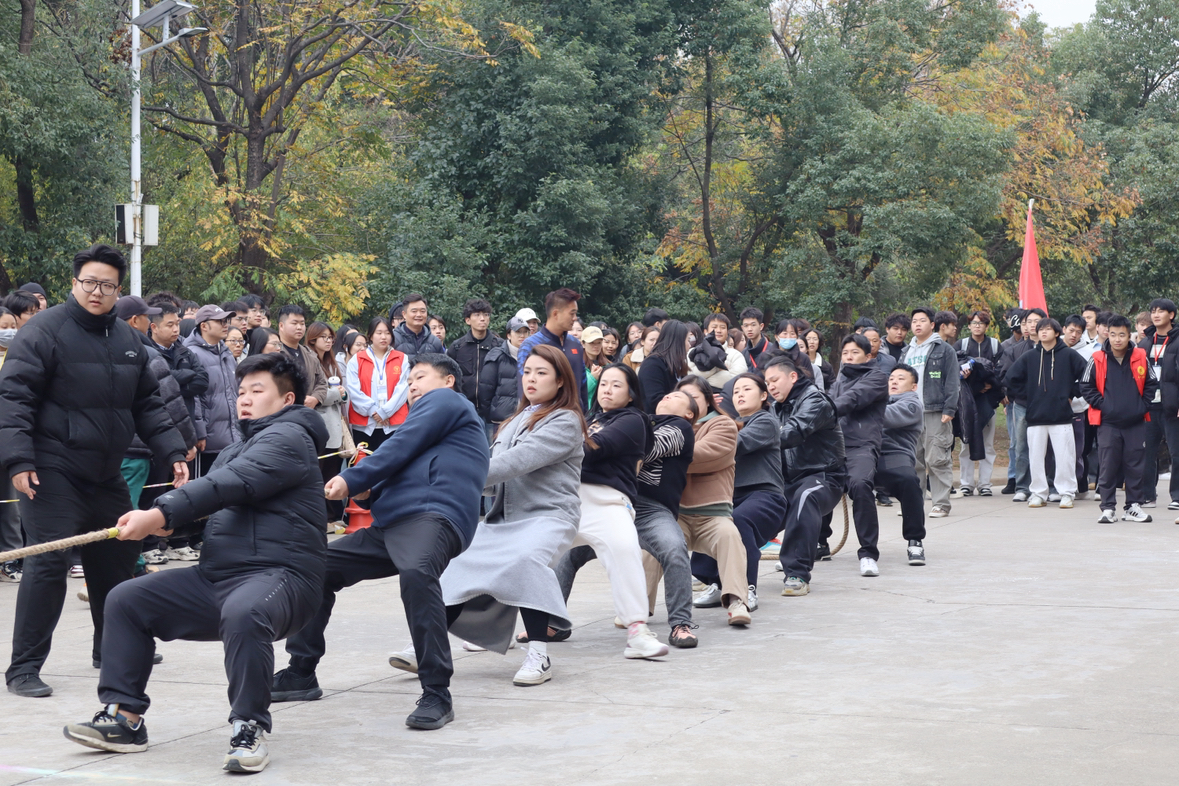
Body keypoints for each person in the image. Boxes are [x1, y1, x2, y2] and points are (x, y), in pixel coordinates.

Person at [64, 353, 329, 773]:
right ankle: (124, 719)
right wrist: (169, 528)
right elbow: (217, 504)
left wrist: (160, 511)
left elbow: (229, 484)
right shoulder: (239, 448)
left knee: (247, 611)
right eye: (240, 391)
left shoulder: (291, 438)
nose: (244, 399)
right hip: (218, 578)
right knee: (127, 599)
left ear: (286, 399)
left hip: (283, 578)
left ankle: (249, 728)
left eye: (257, 391)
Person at [0, 244, 189, 698]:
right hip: (51, 469)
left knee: (118, 561)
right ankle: (24, 668)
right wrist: (18, 461)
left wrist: (173, 451)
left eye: (107, 285)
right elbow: (14, 399)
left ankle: (111, 649)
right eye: (89, 282)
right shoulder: (44, 331)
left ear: (118, 290)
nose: (97, 292)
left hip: (106, 472)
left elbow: (147, 402)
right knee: (47, 563)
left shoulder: (128, 341)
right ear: (74, 283)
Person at [273, 353, 489, 730]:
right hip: (392, 526)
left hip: (433, 516)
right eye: (409, 383)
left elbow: (400, 447)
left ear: (448, 381)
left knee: (418, 573)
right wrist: (367, 488)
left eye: (420, 377)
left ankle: (437, 691)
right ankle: (301, 673)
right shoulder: (422, 427)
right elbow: (394, 467)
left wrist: (352, 479)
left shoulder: (448, 402)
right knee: (317, 567)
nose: (413, 387)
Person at [439, 344, 586, 686]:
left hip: (548, 517)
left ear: (562, 381)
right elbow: (493, 480)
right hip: (504, 519)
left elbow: (516, 463)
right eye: (527, 372)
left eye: (541, 373)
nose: (531, 379)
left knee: (525, 562)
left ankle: (539, 653)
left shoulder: (566, 420)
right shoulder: (513, 420)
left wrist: (458, 475)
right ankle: (426, 646)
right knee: (457, 561)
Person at [553, 364, 669, 659]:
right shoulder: (587, 419)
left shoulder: (635, 420)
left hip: (606, 502)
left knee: (624, 550)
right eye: (603, 383)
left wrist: (551, 447)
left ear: (631, 394)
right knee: (523, 556)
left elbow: (595, 448)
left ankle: (637, 631)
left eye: (616, 385)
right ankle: (485, 628)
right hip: (567, 500)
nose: (607, 389)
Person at [651, 376, 750, 624]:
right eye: (678, 395)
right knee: (650, 546)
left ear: (707, 401)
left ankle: (738, 602)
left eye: (693, 398)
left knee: (730, 537)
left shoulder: (722, 425)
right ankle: (638, 605)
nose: (688, 402)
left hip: (713, 515)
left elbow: (703, 456)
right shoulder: (654, 428)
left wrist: (659, 454)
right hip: (674, 516)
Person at [691, 372, 786, 612]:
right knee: (712, 519)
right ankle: (717, 583)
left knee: (738, 521)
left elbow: (734, 446)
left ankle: (745, 587)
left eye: (746, 389)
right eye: (735, 391)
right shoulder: (729, 424)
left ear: (764, 395)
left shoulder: (765, 421)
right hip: (732, 496)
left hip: (765, 495)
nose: (739, 394)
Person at [764, 356, 846, 597]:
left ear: (792, 376)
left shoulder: (815, 400)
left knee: (804, 498)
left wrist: (750, 439)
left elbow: (792, 432)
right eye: (767, 382)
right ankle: (713, 577)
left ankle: (797, 573)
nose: (771, 386)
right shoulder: (776, 406)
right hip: (786, 481)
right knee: (747, 512)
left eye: (775, 380)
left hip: (823, 477)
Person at [1082, 314, 1158, 523]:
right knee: (1108, 465)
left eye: (1122, 335)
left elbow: (1152, 383)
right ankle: (1107, 508)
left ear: (1128, 335)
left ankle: (1133, 506)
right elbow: (1085, 385)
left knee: (1136, 466)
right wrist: (1103, 404)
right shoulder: (1098, 358)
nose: (1117, 339)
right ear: (1107, 333)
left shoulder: (1140, 356)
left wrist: (1142, 406)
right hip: (1108, 423)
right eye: (1113, 334)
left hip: (1135, 422)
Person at [1005, 318, 1087, 508]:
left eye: (1048, 329)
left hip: (1062, 416)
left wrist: (1071, 394)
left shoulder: (1069, 355)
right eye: (1040, 329)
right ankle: (1038, 493)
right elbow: (1011, 378)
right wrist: (1029, 395)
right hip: (1036, 416)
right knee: (1035, 456)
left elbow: (1088, 376)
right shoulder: (1030, 356)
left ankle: (1066, 492)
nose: (1043, 332)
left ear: (1057, 333)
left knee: (1065, 456)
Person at [830, 334, 889, 577]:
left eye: (855, 352)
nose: (849, 357)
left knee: (860, 484)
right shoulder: (838, 379)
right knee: (812, 485)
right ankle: (815, 545)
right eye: (845, 353)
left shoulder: (877, 377)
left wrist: (823, 409)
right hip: (834, 445)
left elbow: (853, 399)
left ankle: (867, 553)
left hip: (862, 444)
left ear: (868, 355)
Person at [901, 307, 960, 518]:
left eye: (922, 321)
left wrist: (949, 409)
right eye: (914, 321)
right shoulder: (905, 351)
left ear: (932, 325)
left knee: (937, 459)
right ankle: (913, 505)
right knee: (912, 460)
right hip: (909, 413)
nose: (917, 324)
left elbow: (953, 381)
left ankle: (941, 504)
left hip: (935, 411)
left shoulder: (944, 350)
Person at [184, 304, 242, 479]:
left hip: (232, 439)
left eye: (226, 320)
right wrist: (200, 433)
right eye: (219, 321)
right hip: (208, 440)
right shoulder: (191, 353)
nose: (225, 324)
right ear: (204, 326)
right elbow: (194, 397)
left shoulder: (226, 353)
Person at [878, 364, 928, 565]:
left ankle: (915, 541)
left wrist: (857, 405)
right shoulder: (877, 400)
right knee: (827, 479)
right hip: (864, 454)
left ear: (913, 386)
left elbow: (884, 416)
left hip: (894, 455)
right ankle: (820, 542)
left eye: (900, 378)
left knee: (909, 482)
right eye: (891, 379)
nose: (894, 382)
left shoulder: (912, 404)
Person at [345, 317, 409, 452]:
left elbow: (403, 389)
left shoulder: (402, 358)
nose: (383, 337)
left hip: (394, 425)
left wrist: (385, 412)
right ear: (370, 336)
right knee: (364, 466)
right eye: (379, 333)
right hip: (364, 425)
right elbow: (353, 390)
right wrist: (374, 412)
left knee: (392, 467)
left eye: (387, 333)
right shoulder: (357, 359)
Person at [307, 321, 349, 528]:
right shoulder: (308, 359)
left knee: (332, 472)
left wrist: (339, 394)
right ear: (313, 339)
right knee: (318, 472)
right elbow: (316, 394)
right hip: (318, 424)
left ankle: (332, 517)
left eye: (331, 337)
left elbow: (344, 394)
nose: (328, 340)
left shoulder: (333, 363)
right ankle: (320, 518)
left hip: (335, 423)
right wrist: (336, 394)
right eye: (324, 336)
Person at [517, 288, 588, 409]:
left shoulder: (575, 344)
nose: (575, 318)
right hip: (542, 419)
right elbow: (524, 391)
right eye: (572, 313)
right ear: (555, 314)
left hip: (575, 417)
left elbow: (582, 384)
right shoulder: (531, 345)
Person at [957, 310, 1003, 496]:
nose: (977, 326)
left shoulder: (994, 345)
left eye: (981, 323)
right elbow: (956, 370)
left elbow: (1001, 370)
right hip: (966, 401)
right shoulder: (961, 344)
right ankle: (966, 483)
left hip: (988, 401)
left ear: (986, 326)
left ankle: (985, 484)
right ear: (969, 326)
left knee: (988, 444)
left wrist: (989, 386)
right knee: (966, 442)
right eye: (974, 323)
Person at [1139, 298, 1179, 510]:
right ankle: (1148, 495)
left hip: (1172, 406)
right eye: (1153, 311)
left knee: (1176, 453)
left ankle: (1177, 496)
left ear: (1171, 315)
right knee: (1146, 453)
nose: (1155, 315)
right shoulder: (1145, 342)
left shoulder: (1178, 340)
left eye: (1161, 311)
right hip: (1149, 405)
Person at [1062, 314, 1098, 499]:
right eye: (1071, 330)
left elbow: (1087, 381)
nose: (1074, 335)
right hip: (1055, 409)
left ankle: (1080, 485)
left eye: (1078, 332)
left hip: (1079, 407)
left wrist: (1072, 394)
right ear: (1063, 329)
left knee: (1079, 449)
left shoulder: (1089, 352)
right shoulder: (1054, 347)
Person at [478, 317, 531, 437]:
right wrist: (492, 413)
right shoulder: (496, 356)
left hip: (527, 420)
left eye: (525, 332)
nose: (522, 335)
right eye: (518, 332)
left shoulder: (534, 356)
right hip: (501, 421)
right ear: (508, 334)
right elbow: (485, 390)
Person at [447, 298, 502, 411]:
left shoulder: (500, 346)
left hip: (492, 410)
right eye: (477, 315)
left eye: (486, 315)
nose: (482, 319)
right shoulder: (457, 347)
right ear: (468, 320)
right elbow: (448, 377)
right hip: (464, 408)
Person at [275, 305, 328, 409]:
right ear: (281, 326)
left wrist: (315, 399)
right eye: (294, 323)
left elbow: (322, 383)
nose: (299, 327)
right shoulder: (274, 352)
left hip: (308, 413)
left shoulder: (310, 354)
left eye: (302, 323)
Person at [639, 320, 690, 412]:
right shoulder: (652, 364)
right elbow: (656, 400)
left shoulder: (676, 365)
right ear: (679, 342)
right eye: (688, 340)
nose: (689, 345)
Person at [689, 314, 748, 392]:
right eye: (714, 327)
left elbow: (736, 380)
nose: (719, 330)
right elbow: (690, 378)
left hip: (726, 398)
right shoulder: (693, 352)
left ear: (727, 332)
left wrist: (703, 378)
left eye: (723, 327)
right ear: (706, 331)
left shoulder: (736, 355)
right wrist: (719, 368)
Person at [392, 293, 444, 362]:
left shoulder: (434, 342)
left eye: (422, 311)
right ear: (404, 314)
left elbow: (442, 368)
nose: (419, 315)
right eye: (414, 311)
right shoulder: (392, 339)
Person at [581, 325, 607, 402]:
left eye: (599, 343)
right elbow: (577, 392)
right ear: (583, 343)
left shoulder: (608, 365)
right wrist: (592, 378)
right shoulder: (577, 365)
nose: (596, 346)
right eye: (591, 343)